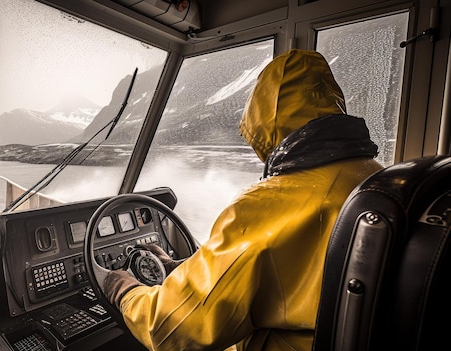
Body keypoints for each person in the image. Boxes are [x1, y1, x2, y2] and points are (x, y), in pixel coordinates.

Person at [102, 49, 383, 350]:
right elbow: (290, 271)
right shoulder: (375, 177)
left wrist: (120, 287)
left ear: (263, 118)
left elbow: (172, 329)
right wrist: (178, 270)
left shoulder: (268, 205)